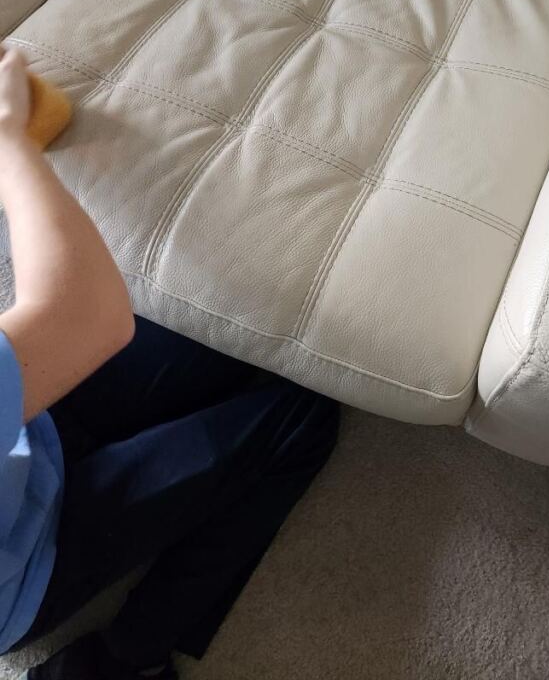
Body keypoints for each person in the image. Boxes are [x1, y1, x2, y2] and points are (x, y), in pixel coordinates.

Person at [0, 47, 339, 679]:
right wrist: (8, 145)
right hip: (29, 568)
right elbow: (88, 313)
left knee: (245, 328)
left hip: (29, 428)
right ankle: (128, 658)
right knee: (304, 414)